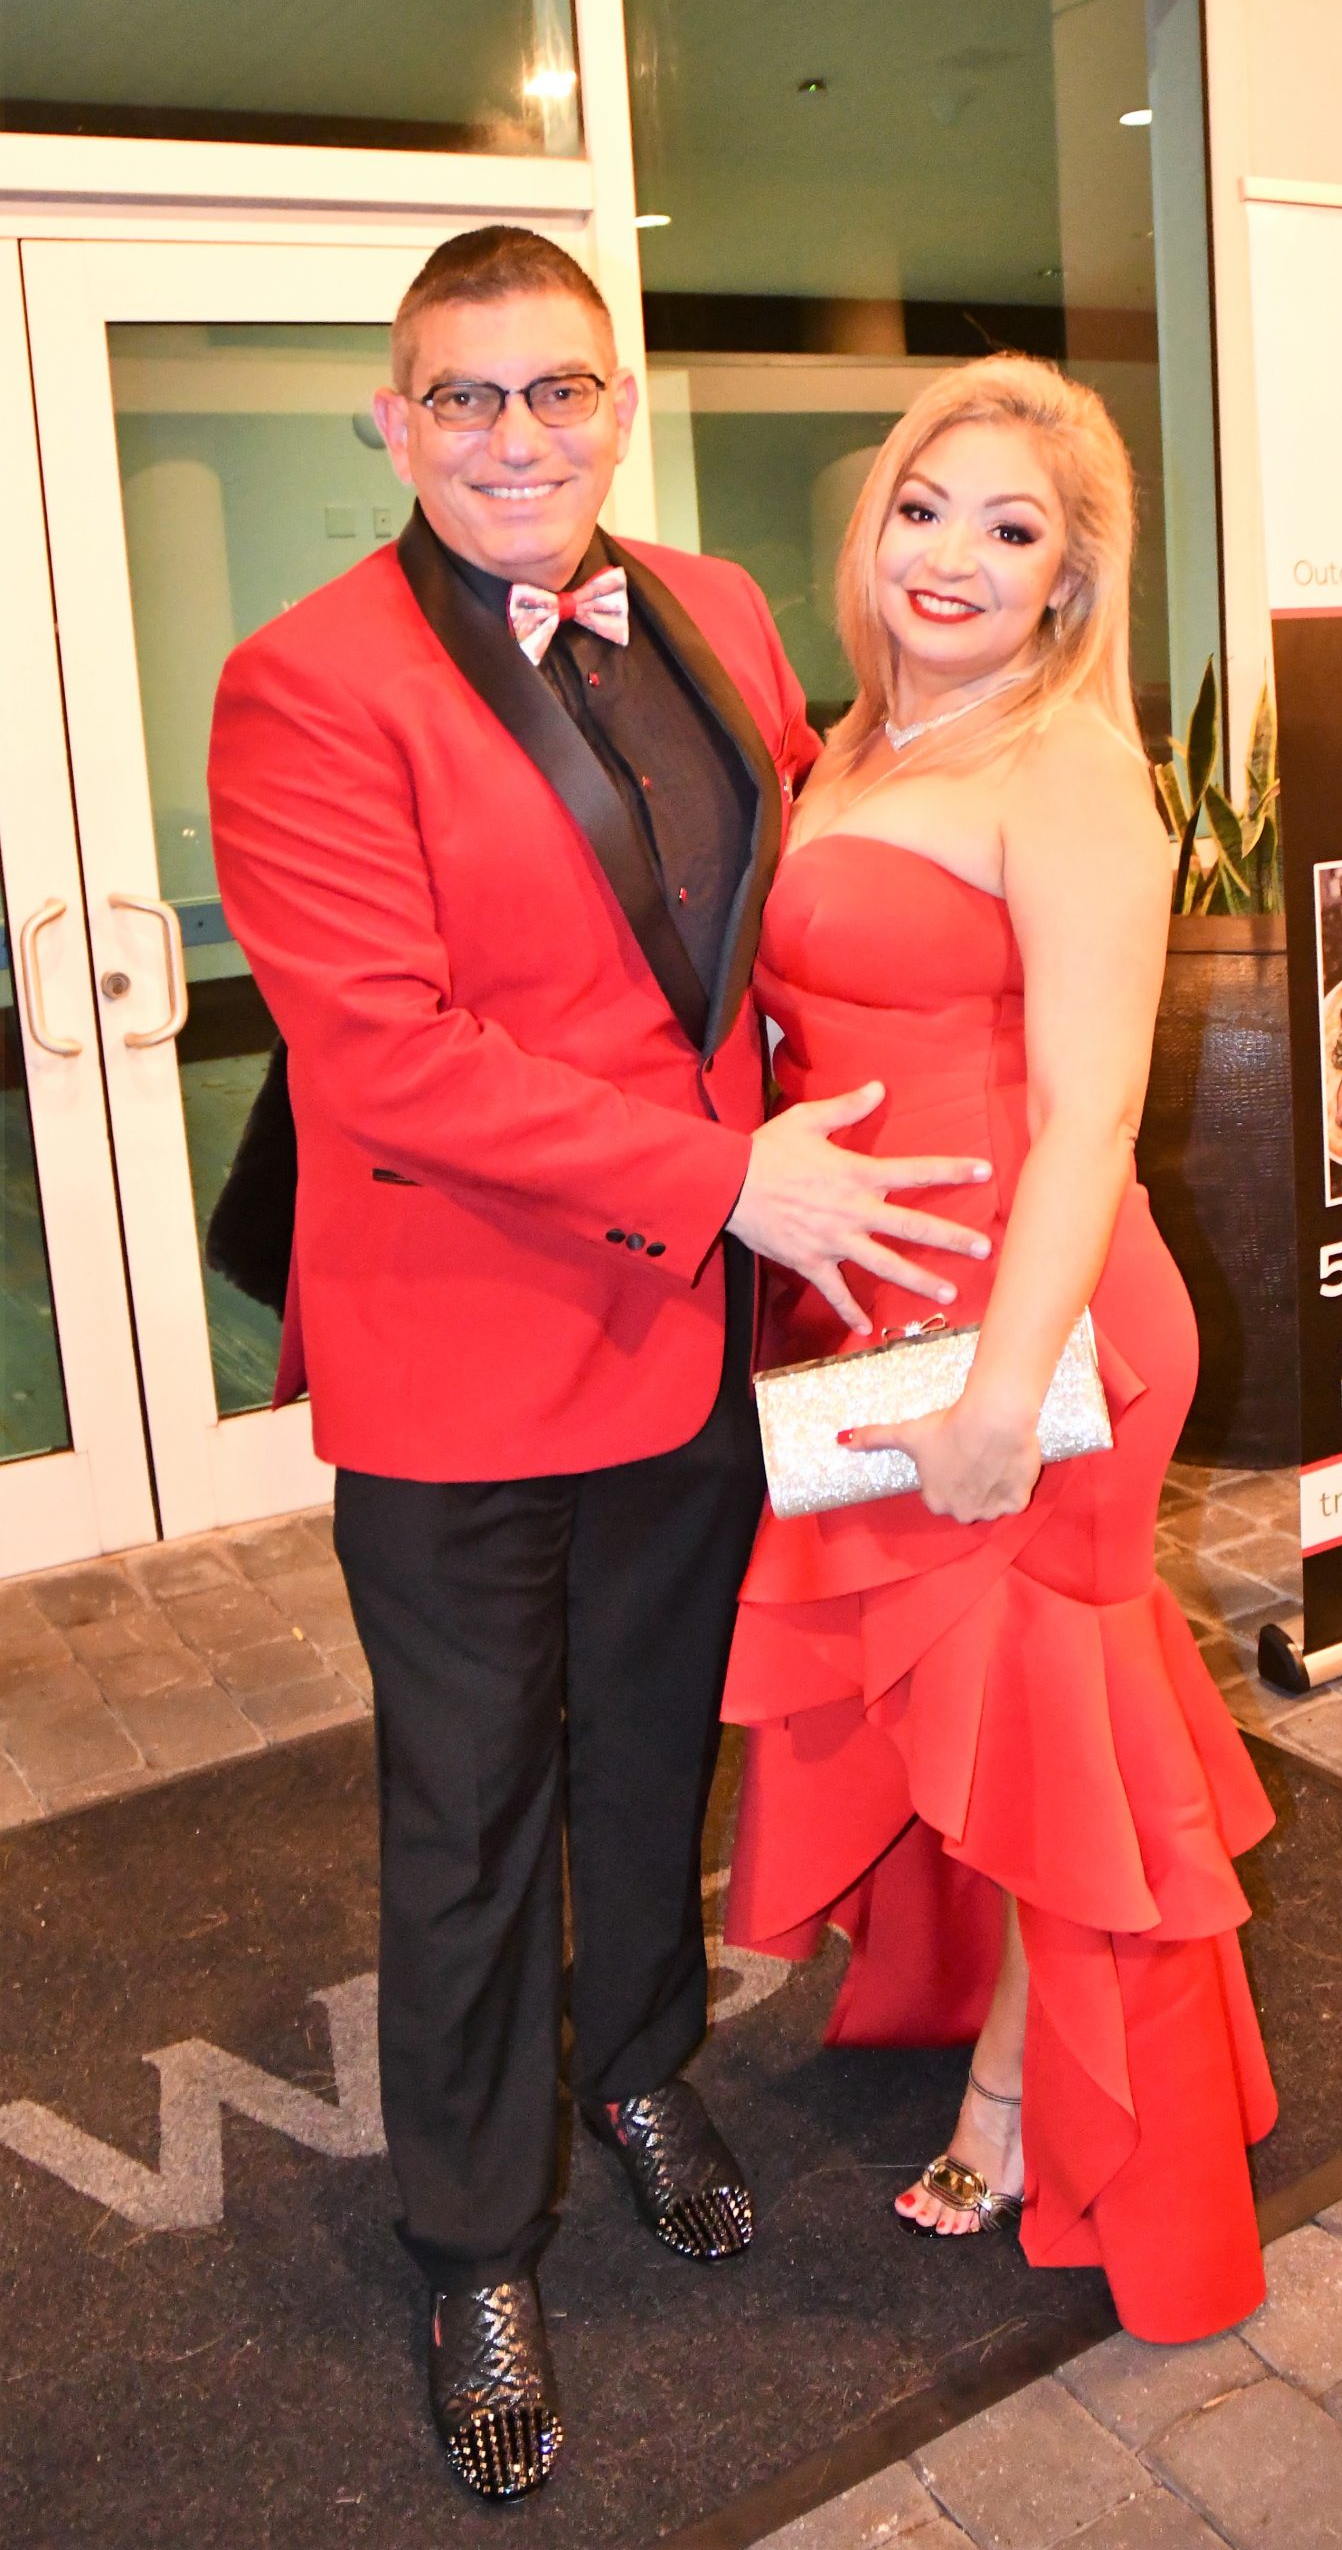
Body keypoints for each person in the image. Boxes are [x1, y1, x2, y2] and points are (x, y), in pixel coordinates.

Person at [207, 226, 992, 2501]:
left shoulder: (719, 607)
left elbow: (776, 917)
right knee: (468, 1819)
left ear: (617, 404)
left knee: (651, 1748)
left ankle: (640, 2069)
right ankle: (471, 2242)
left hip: (690, 1335)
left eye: (555, 389)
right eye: (463, 397)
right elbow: (385, 1059)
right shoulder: (305, 682)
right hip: (462, 1350)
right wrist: (728, 1180)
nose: (514, 437)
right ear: (393, 420)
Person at [721, 356, 1278, 2341]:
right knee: (982, 1724)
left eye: (1009, 526)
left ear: (1071, 578)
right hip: (870, 1317)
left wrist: (993, 1393)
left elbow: (1090, 1115)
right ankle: (983, 2017)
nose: (950, 554)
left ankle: (1028, 2100)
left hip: (1035, 1331)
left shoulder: (1071, 774)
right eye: (921, 506)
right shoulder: (855, 742)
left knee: (1059, 1748)